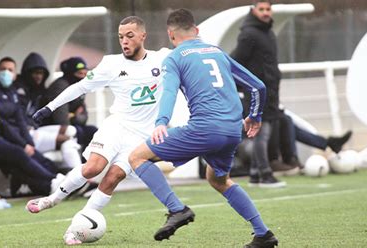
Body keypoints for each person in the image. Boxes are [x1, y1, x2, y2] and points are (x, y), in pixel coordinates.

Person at [129, 9, 279, 247]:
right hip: (232, 130)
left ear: (171, 35)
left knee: (137, 157)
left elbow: (168, 92)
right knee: (218, 180)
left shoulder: (175, 58)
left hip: (205, 129)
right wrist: (255, 116)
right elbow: (258, 86)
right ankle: (263, 234)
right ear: (196, 30)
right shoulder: (217, 52)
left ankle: (177, 209)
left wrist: (161, 122)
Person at [26, 16, 171, 245]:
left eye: (130, 36)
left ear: (143, 36)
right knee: (94, 168)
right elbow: (80, 87)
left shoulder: (163, 58)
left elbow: (191, 52)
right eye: (121, 36)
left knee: (112, 178)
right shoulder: (111, 64)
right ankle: (52, 200)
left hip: (141, 138)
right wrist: (49, 107)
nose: (124, 41)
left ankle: (75, 229)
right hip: (117, 126)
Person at [0, 59, 65, 197]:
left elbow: (19, 119)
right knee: (20, 155)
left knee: (32, 155)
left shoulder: (10, 92)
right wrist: (23, 144)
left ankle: (58, 180)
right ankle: (54, 182)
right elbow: (2, 123)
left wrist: (28, 143)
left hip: (12, 136)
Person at [231, 0, 286, 188]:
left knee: (263, 132)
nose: (265, 12)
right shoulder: (248, 35)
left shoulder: (269, 33)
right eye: (261, 9)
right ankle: (265, 174)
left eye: (268, 9)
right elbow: (236, 61)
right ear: (253, 11)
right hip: (256, 92)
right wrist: (244, 86)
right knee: (262, 133)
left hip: (270, 91)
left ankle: (254, 175)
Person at [0, 56, 82, 172]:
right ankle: (78, 175)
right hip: (25, 132)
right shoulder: (17, 90)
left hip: (35, 128)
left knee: (71, 130)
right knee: (67, 140)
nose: (39, 76)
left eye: (41, 73)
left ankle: (75, 173)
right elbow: (20, 117)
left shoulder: (40, 91)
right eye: (35, 73)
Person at [43, 57, 98, 154]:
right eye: (80, 74)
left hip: (72, 124)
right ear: (70, 74)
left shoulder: (79, 89)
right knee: (79, 132)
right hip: (51, 126)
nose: (83, 77)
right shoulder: (60, 87)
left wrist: (73, 116)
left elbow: (84, 116)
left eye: (85, 74)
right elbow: (61, 119)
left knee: (93, 131)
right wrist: (75, 115)